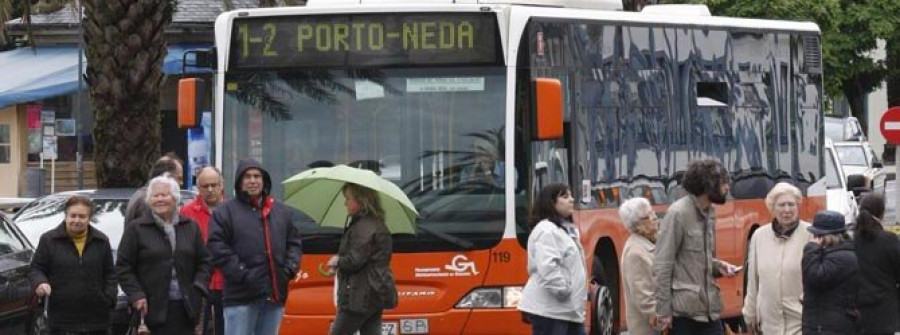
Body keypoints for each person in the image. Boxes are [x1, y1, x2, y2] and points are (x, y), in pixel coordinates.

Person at [208, 159, 303, 335]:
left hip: (274, 295)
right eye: (247, 176)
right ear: (239, 182)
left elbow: (294, 243)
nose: (253, 181)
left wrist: (288, 269)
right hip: (240, 297)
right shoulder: (225, 212)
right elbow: (217, 248)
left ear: (264, 180)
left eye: (257, 176)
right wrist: (243, 274)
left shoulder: (281, 211)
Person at [653, 159, 740, 335]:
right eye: (724, 183)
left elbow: (694, 259)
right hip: (684, 316)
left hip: (709, 312)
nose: (727, 188)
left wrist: (718, 266)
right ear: (709, 185)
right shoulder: (678, 213)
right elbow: (662, 264)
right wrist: (663, 312)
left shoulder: (709, 213)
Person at [117, 175, 211, 334]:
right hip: (149, 309)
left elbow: (205, 262)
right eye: (155, 195)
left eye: (164, 195)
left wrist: (199, 287)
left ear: (175, 198)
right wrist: (136, 294)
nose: (160, 199)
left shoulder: (190, 226)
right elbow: (123, 267)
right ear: (149, 200)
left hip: (186, 308)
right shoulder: (136, 229)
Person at [29, 195, 117, 335]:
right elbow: (36, 269)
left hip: (96, 321)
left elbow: (110, 274)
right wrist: (40, 283)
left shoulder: (101, 241)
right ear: (66, 216)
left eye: (82, 216)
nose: (77, 220)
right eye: (73, 215)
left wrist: (109, 298)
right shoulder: (49, 240)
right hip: (60, 321)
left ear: (89, 218)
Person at [327, 183, 398, 335]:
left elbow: (354, 261)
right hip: (374, 292)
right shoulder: (374, 223)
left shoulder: (363, 227)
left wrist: (337, 261)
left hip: (360, 294)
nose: (345, 203)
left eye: (348, 199)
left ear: (360, 200)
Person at [517, 183, 587, 335]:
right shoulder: (546, 230)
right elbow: (548, 267)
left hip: (566, 310)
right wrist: (563, 291)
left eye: (571, 195)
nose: (572, 199)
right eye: (565, 196)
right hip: (551, 310)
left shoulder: (564, 229)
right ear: (551, 202)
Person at [743, 182, 811, 335]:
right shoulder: (759, 236)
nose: (787, 210)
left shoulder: (810, 234)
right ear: (772, 208)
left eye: (791, 204)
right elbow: (753, 280)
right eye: (781, 205)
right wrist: (750, 312)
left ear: (798, 206)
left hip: (800, 319)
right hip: (769, 322)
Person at [180, 166, 227, 335]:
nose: (210, 190)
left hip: (228, 283)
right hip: (198, 284)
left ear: (222, 185)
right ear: (198, 188)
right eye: (205, 186)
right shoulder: (186, 212)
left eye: (214, 185)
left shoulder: (233, 210)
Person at [801, 210, 859, 335]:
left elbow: (813, 278)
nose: (814, 239)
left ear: (823, 237)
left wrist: (810, 249)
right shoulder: (841, 253)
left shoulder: (842, 257)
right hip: (823, 326)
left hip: (829, 328)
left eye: (816, 235)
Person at [852, 193, 900, 335]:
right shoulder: (890, 240)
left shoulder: (851, 240)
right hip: (885, 310)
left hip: (856, 310)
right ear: (882, 213)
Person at [619, 197, 659, 335]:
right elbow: (643, 297)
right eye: (648, 216)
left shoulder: (653, 242)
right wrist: (662, 320)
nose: (654, 218)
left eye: (653, 212)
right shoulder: (635, 253)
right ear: (637, 225)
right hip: (650, 329)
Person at [125, 154, 184, 223]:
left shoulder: (143, 195)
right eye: (179, 178)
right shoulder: (148, 201)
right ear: (167, 176)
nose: (181, 183)